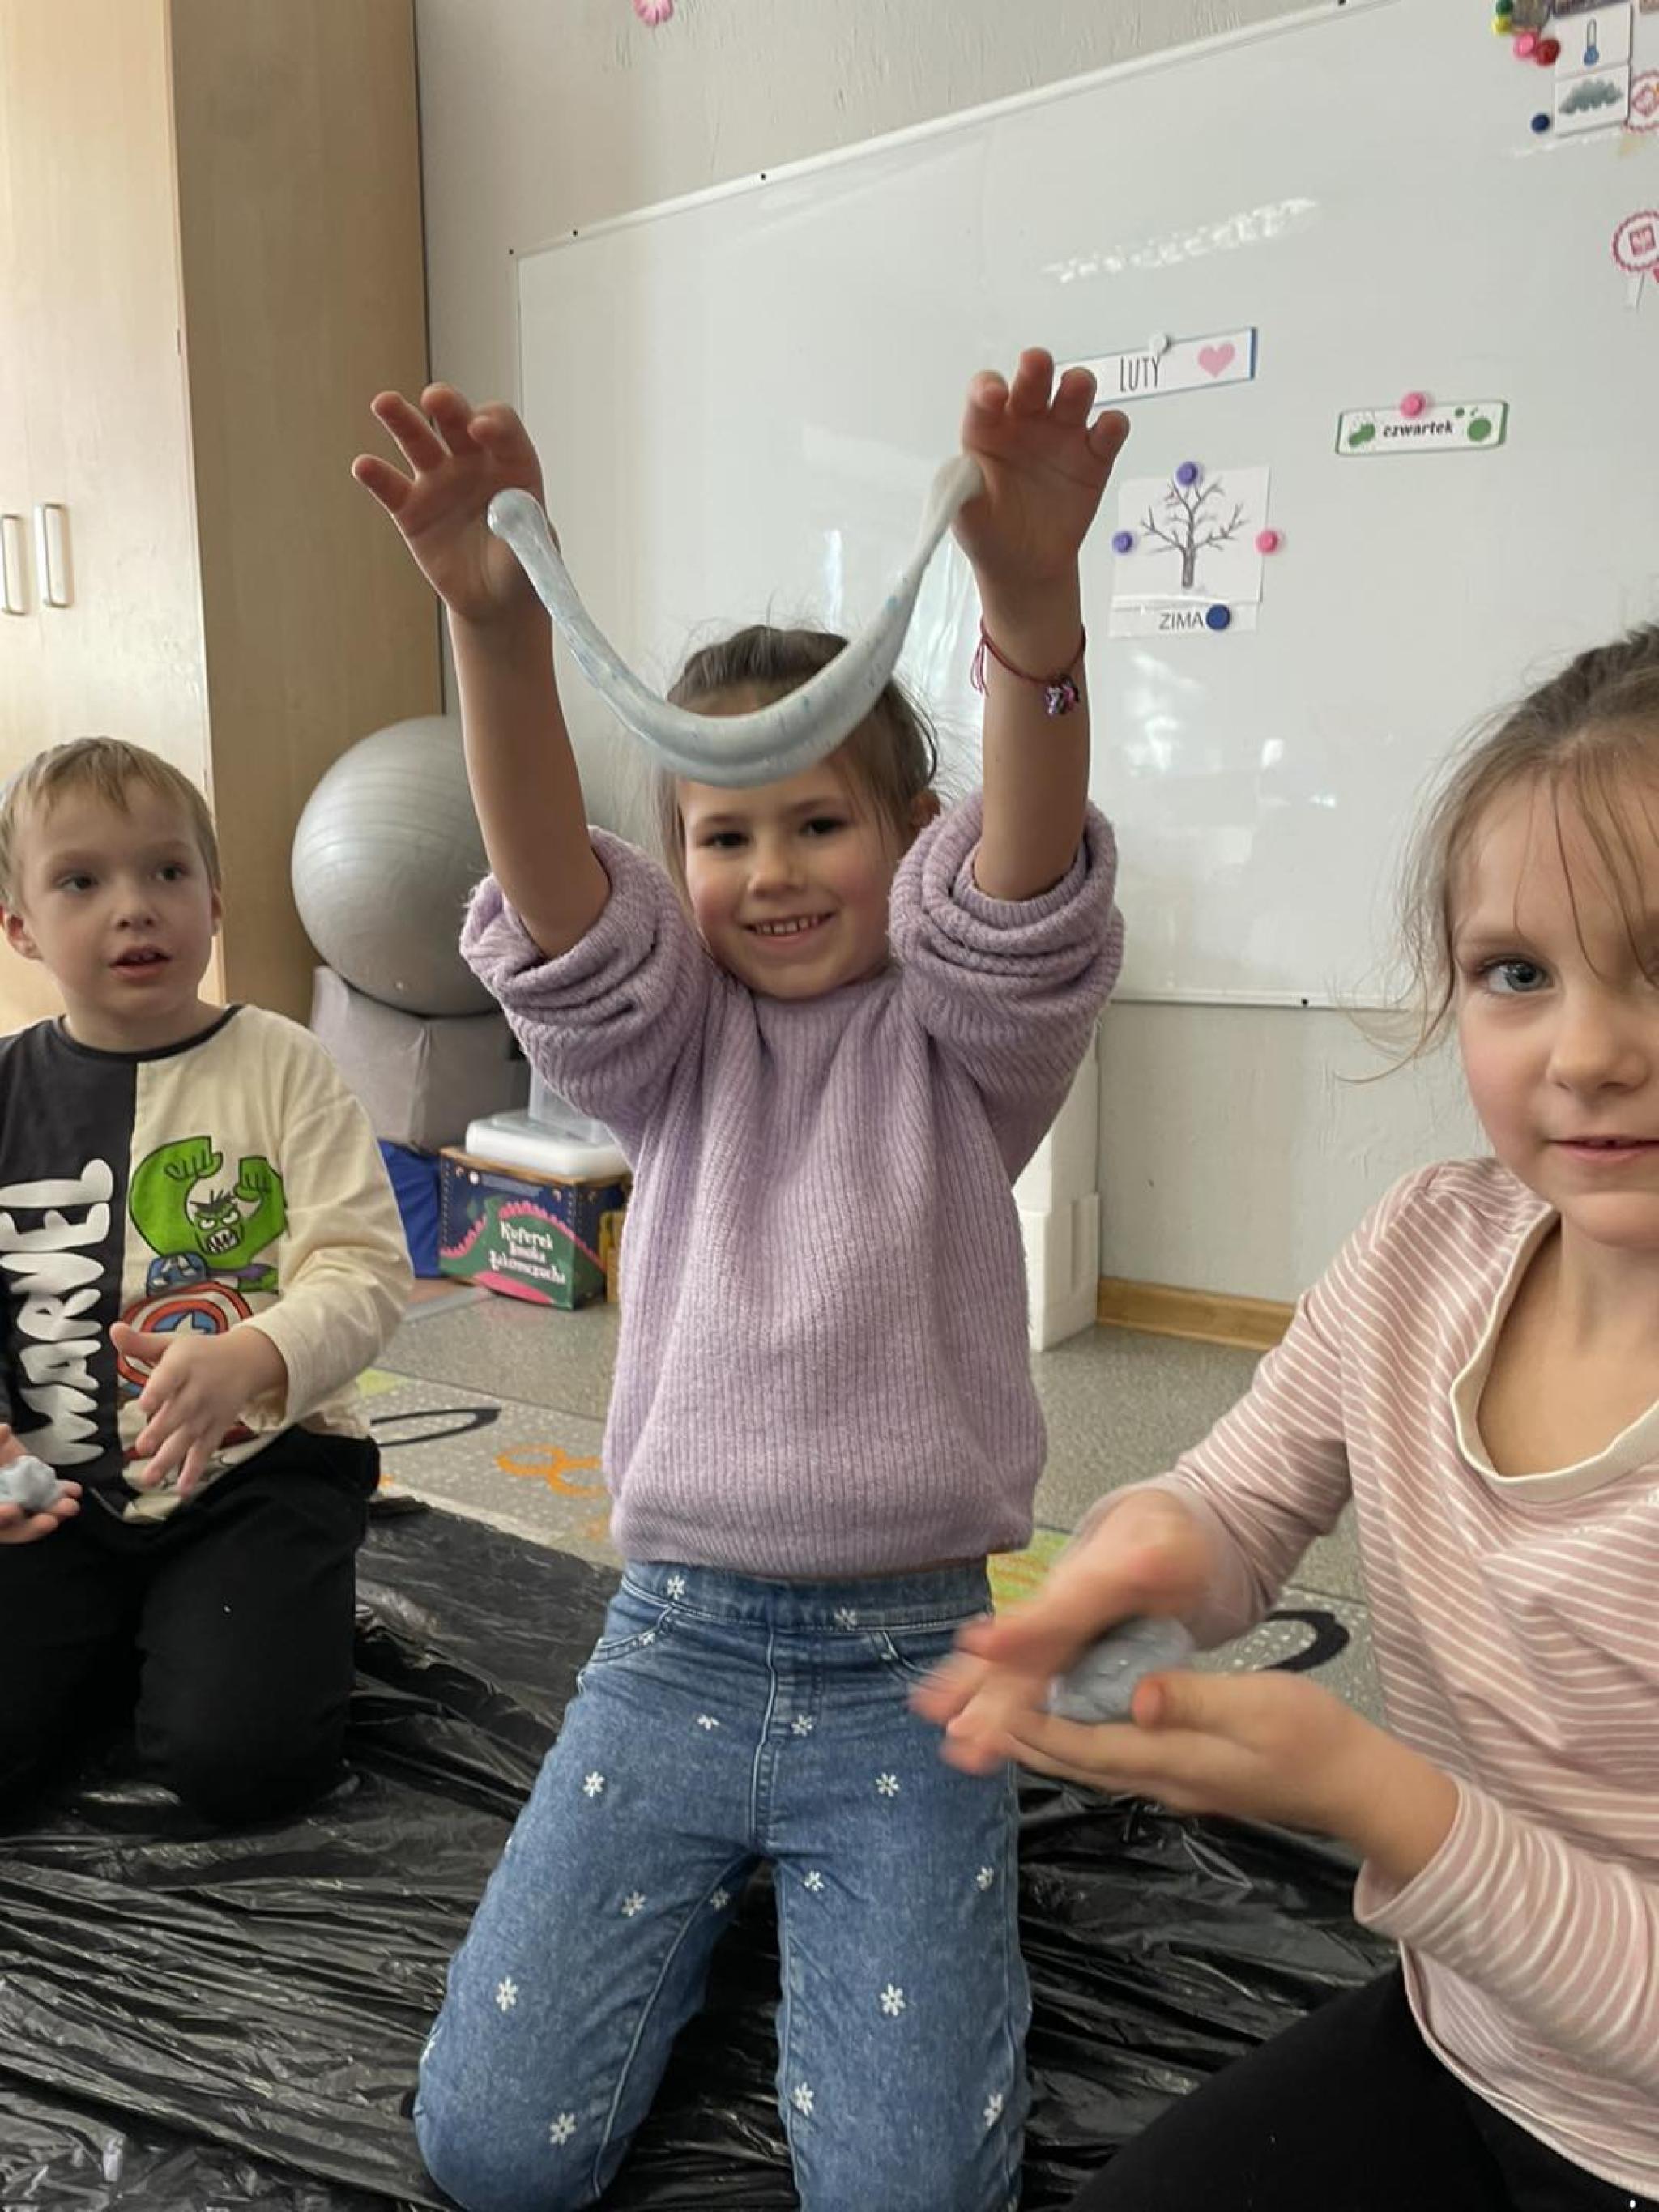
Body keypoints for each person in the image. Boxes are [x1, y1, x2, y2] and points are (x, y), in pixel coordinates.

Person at [354, 352, 1128, 2210]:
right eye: (724, 833)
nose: (771, 870)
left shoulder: (969, 1045)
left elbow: (1024, 877)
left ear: (913, 842)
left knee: (910, 2193)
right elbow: (550, 886)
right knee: (492, 2151)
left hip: (916, 1672)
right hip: (672, 1646)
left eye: (820, 823)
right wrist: (498, 625)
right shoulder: (663, 1044)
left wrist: (1031, 615)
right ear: (675, 858)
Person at [918, 625, 1659, 2211]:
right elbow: (1240, 1502)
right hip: (1470, 2041)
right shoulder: (1423, 1253)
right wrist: (1138, 1562)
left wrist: (1372, 1797)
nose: (1591, 1053)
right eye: (1518, 973)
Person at [0, 738, 410, 1824]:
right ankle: (119, 1641)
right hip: (55, 1494)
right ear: (20, 927)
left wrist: (259, 1355)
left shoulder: (284, 1064)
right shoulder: (7, 1088)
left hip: (258, 1480)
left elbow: (366, 1266)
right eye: (81, 881)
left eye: (167, 871)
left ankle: (199, 1638)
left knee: (245, 1767)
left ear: (215, 902)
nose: (134, 907)